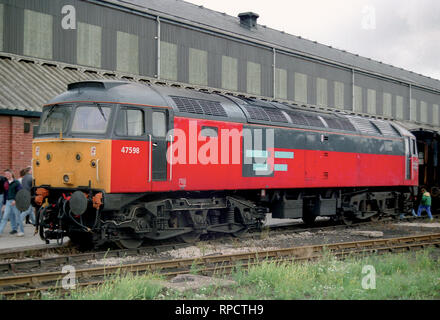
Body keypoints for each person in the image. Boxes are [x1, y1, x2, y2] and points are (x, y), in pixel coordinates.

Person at [0, 169, 21, 236]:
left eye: (8, 174)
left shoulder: (14, 181)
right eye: (6, 174)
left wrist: (15, 200)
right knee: (6, 215)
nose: (7, 175)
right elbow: (6, 192)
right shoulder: (5, 181)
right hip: (7, 200)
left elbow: (18, 191)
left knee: (14, 215)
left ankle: (17, 229)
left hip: (11, 200)